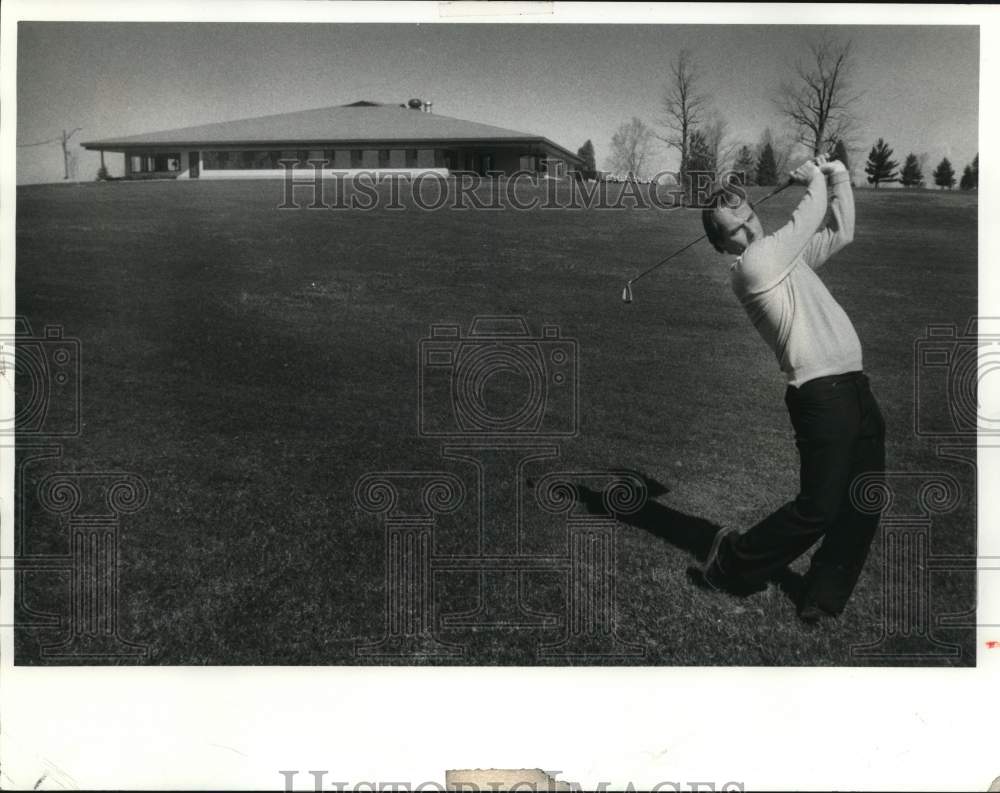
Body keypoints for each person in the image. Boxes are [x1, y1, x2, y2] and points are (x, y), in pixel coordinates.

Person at [692, 155, 886, 624]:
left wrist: (838, 175)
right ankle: (731, 563)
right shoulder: (753, 267)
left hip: (856, 386)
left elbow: (841, 232)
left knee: (862, 501)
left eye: (748, 214)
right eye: (733, 227)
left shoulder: (783, 259)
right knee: (818, 508)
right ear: (721, 244)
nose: (747, 227)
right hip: (821, 396)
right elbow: (810, 213)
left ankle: (821, 598)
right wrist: (816, 176)